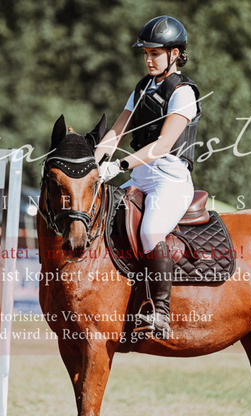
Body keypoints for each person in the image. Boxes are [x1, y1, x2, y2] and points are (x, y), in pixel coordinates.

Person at [94, 16, 202, 339]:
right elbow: (117, 131)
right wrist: (95, 163)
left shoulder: (183, 92)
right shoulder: (142, 88)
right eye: (146, 54)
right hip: (141, 175)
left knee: (151, 230)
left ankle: (160, 312)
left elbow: (164, 144)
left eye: (155, 53)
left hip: (170, 177)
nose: (149, 59)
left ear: (175, 54)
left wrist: (120, 165)